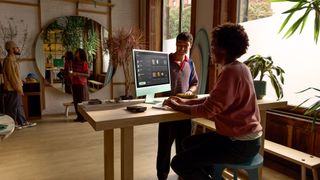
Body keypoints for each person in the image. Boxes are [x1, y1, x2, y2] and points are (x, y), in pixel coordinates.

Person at [163, 23, 262, 180]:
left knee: (179, 163)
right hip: (245, 139)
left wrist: (176, 105)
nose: (211, 50)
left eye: (213, 45)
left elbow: (207, 110)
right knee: (188, 143)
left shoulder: (230, 72)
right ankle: (214, 176)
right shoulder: (240, 67)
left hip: (239, 144)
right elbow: (213, 101)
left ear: (223, 49)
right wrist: (183, 101)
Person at [156, 32, 199, 180]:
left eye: (185, 45)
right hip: (167, 111)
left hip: (184, 112)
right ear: (175, 44)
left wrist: (189, 92)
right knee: (164, 148)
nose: (181, 48)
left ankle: (182, 175)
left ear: (190, 45)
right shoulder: (165, 61)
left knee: (183, 146)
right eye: (179, 44)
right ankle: (162, 176)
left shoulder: (190, 63)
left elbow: (194, 83)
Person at [3, 41, 37, 129]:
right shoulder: (9, 60)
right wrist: (19, 89)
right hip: (12, 88)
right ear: (11, 49)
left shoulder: (13, 59)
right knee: (12, 108)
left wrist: (20, 80)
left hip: (14, 87)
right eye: (16, 47)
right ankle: (11, 125)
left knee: (17, 106)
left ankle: (22, 122)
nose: (18, 49)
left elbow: (14, 76)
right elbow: (12, 77)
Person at [70, 48, 89, 122]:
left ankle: (84, 117)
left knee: (82, 101)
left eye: (77, 52)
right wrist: (71, 74)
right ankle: (79, 117)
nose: (76, 53)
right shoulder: (73, 62)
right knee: (76, 101)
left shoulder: (84, 63)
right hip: (74, 83)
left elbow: (87, 74)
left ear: (81, 53)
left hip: (81, 84)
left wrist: (77, 74)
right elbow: (72, 71)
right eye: (76, 51)